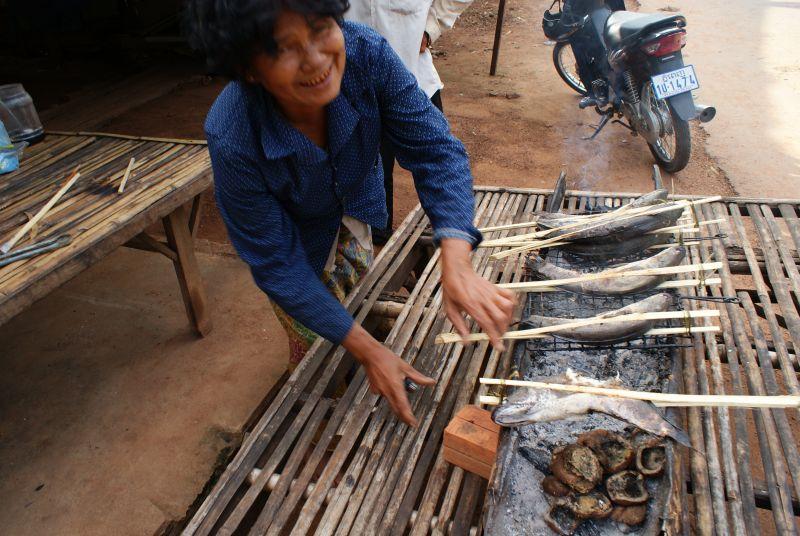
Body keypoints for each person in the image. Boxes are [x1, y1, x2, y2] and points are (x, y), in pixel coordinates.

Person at [186, 0, 514, 427]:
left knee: (359, 292)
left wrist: (455, 254)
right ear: (249, 70)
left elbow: (435, 150)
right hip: (298, 244)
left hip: (355, 205)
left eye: (322, 28)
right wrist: (367, 350)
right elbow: (277, 264)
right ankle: (327, 412)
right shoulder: (233, 136)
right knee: (319, 347)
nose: (317, 61)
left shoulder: (368, 55)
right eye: (285, 49)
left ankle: (366, 358)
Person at [346, 0, 473, 242]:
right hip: (350, 86)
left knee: (437, 156)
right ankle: (378, 243)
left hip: (412, 69)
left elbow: (441, 158)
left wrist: (431, 27)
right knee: (369, 177)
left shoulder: (384, 65)